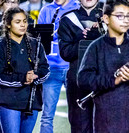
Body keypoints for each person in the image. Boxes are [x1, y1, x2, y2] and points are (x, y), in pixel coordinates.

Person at [0, 6, 50, 133]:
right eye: (17, 22)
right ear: (8, 25)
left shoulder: (36, 43)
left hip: (32, 101)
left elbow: (45, 68)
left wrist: (36, 76)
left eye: (24, 21)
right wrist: (23, 78)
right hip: (9, 101)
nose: (22, 25)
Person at [77, 0, 129, 132]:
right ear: (106, 18)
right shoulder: (95, 47)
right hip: (106, 120)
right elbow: (83, 79)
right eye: (120, 16)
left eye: (128, 16)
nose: (126, 20)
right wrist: (113, 80)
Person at [57, 0, 104, 132]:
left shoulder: (110, 17)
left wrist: (101, 36)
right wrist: (83, 41)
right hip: (77, 79)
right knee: (79, 125)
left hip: (105, 79)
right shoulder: (68, 19)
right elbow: (65, 53)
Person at [37, 0, 79, 132]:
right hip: (51, 67)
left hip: (72, 66)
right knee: (47, 115)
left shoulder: (77, 6)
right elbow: (40, 40)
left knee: (78, 113)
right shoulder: (46, 10)